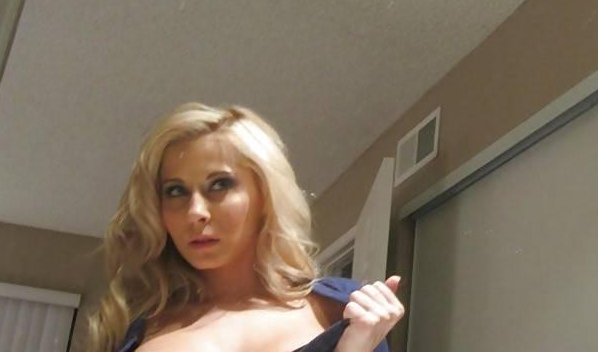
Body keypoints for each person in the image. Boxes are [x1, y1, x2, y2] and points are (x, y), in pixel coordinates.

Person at [88, 103, 404, 352]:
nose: (195, 212)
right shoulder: (136, 324)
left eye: (219, 184)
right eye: (175, 191)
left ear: (265, 195)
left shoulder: (345, 309)